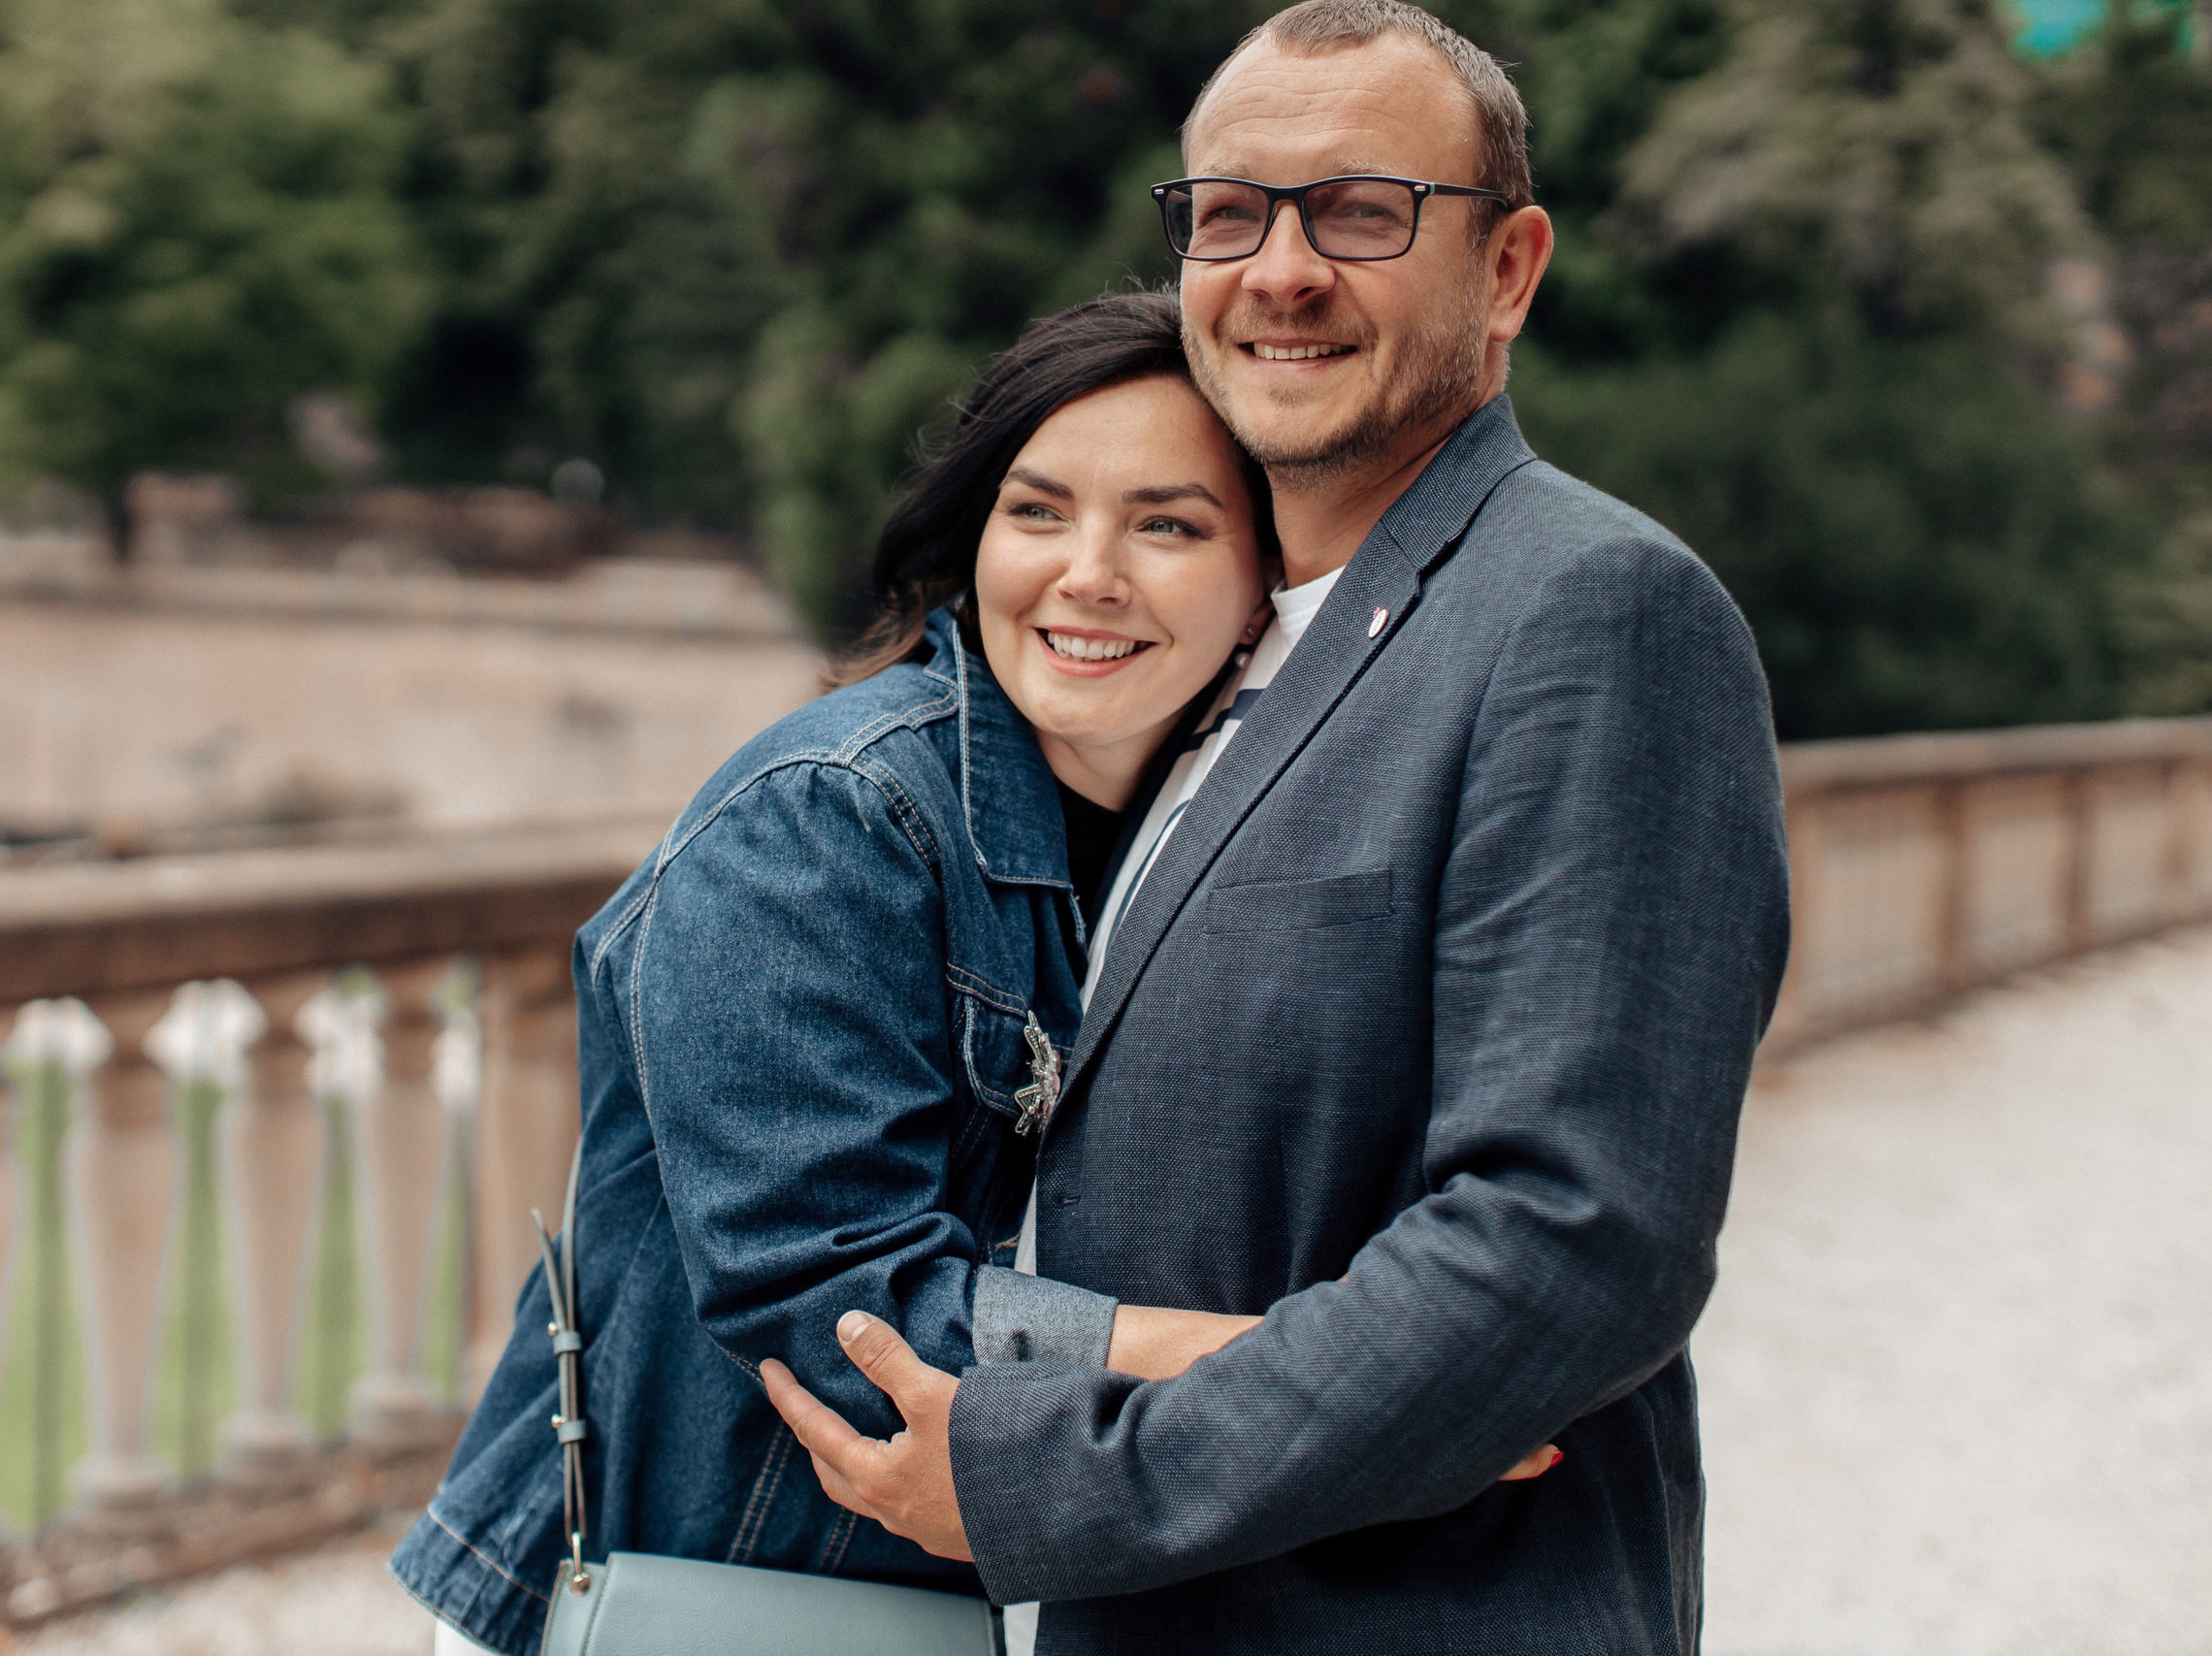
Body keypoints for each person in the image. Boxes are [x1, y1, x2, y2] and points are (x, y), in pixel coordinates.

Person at [761, 4, 1792, 1653]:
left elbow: (1571, 1242)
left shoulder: (1591, 612)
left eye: (1363, 212)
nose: (1282, 272)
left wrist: (1059, 1485)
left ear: (1509, 271)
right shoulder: (1219, 654)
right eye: (1230, 215)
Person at [390, 292, 1560, 1656]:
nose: (1088, 574)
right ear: (975, 541)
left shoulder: (1196, 851)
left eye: (1169, 526)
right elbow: (840, 1317)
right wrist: (1336, 1388)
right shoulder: (827, 820)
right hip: (686, 1602)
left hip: (944, 1616)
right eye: (1037, 512)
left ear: (1269, 586)